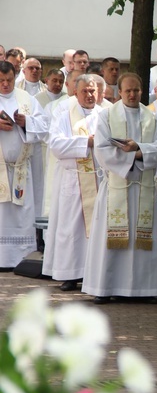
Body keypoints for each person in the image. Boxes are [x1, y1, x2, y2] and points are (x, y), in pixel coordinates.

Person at [82, 73, 157, 304]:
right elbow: (101, 149)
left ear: (142, 91)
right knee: (110, 240)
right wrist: (132, 158)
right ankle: (105, 286)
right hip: (116, 188)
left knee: (142, 241)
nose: (132, 94)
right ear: (119, 91)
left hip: (143, 187)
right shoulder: (106, 116)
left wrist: (138, 150)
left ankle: (145, 289)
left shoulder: (152, 118)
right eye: (128, 90)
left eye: (137, 90)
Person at [43, 74, 103, 291]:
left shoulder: (105, 115)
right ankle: (70, 274)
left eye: (93, 91)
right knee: (71, 230)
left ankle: (92, 274)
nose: (89, 95)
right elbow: (56, 145)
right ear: (76, 93)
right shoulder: (65, 115)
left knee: (95, 228)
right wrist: (86, 142)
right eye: (85, 91)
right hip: (72, 179)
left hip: (97, 179)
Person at [0, 61, 47, 267]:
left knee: (21, 213)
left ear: (15, 77)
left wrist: (26, 122)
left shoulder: (27, 99)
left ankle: (21, 259)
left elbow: (45, 127)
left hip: (20, 169)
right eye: (0, 81)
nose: (5, 84)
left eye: (9, 80)